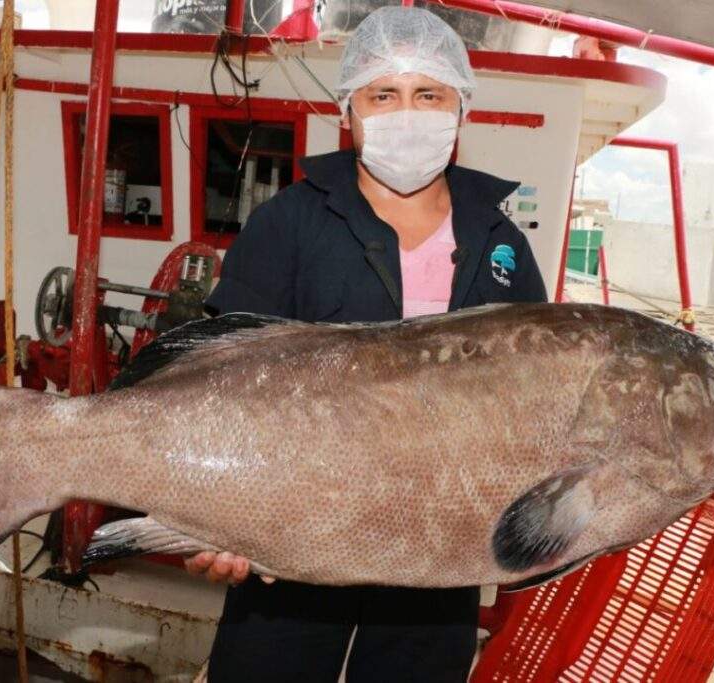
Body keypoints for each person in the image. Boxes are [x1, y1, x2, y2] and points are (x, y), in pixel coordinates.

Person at [184, 6, 547, 681]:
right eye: (384, 94)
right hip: (287, 546)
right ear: (348, 110)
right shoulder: (287, 223)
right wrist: (210, 512)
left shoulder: (503, 247)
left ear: (460, 109)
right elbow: (218, 380)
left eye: (428, 94)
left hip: (438, 566)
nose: (407, 113)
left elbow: (531, 412)